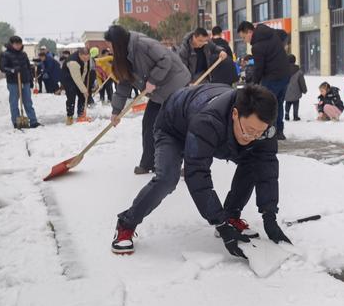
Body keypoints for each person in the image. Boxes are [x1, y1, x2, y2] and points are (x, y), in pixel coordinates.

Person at [111, 83, 291, 256]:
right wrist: (218, 223)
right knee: (167, 178)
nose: (253, 137)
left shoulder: (264, 128)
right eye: (249, 130)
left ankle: (231, 216)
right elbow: (197, 173)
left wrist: (269, 217)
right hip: (174, 129)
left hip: (211, 128)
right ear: (235, 114)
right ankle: (126, 224)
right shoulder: (209, 120)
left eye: (259, 132)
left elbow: (266, 166)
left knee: (254, 161)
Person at [104, 25, 191, 175]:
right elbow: (124, 83)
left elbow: (165, 59)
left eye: (109, 44)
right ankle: (148, 163)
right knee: (149, 124)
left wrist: (153, 79)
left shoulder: (143, 44)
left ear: (117, 42)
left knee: (177, 126)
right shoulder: (123, 55)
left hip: (176, 85)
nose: (108, 48)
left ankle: (186, 165)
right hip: (158, 91)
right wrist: (116, 111)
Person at [237, 21, 291, 140]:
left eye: (243, 37)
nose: (244, 41)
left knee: (268, 105)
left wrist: (253, 85)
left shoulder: (257, 46)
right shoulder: (271, 33)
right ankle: (279, 132)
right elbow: (283, 34)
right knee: (278, 104)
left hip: (272, 77)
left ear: (250, 32)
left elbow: (259, 68)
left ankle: (269, 133)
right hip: (285, 75)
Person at [0, 35, 40, 128]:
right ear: (11, 44)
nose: (18, 46)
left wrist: (30, 79)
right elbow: (2, 67)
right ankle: (16, 122)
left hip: (25, 81)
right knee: (14, 102)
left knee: (28, 101)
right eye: (16, 44)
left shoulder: (23, 54)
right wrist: (12, 70)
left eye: (20, 44)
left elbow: (28, 68)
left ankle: (33, 121)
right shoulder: (5, 54)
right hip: (13, 82)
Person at [61, 48, 92, 125]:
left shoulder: (87, 59)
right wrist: (84, 90)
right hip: (68, 78)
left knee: (82, 96)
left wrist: (83, 87)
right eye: (84, 58)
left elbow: (84, 71)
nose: (86, 60)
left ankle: (81, 115)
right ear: (80, 55)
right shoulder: (73, 62)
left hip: (78, 77)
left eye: (88, 57)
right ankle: (70, 116)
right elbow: (77, 79)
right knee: (71, 96)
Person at [284, 54, 307, 121]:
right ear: (295, 61)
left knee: (287, 103)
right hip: (296, 92)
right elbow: (302, 82)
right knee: (296, 103)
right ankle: (295, 116)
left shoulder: (283, 70)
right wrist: (304, 90)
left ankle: (286, 115)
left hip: (286, 91)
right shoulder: (299, 71)